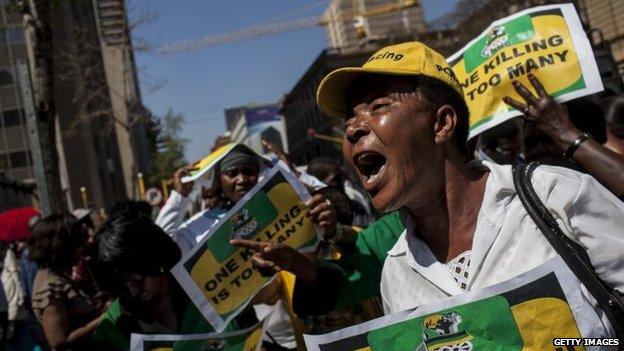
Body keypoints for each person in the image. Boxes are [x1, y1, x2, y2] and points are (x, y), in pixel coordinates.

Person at [233, 42, 624, 339]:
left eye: (378, 106)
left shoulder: (554, 196)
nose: (353, 128)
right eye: (350, 118)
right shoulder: (396, 272)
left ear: (441, 124)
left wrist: (577, 344)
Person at [92, 216, 255, 351]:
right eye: (121, 288)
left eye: (137, 280)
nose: (132, 292)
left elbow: (250, 334)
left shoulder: (211, 288)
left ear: (155, 260)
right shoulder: (111, 328)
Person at [28, 214, 103, 350]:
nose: (82, 250)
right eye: (78, 245)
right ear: (62, 247)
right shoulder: (49, 286)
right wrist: (105, 318)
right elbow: (60, 342)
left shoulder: (58, 276)